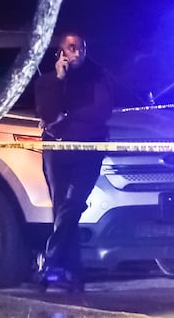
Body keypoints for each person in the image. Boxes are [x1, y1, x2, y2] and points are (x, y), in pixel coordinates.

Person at [34, 32, 113, 291]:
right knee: (61, 210)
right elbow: (46, 112)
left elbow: (100, 112)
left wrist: (63, 117)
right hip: (56, 152)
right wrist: (58, 80)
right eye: (71, 48)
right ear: (61, 53)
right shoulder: (48, 81)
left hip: (89, 151)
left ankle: (49, 261)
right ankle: (73, 274)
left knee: (73, 205)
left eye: (81, 47)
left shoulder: (97, 77)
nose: (77, 53)